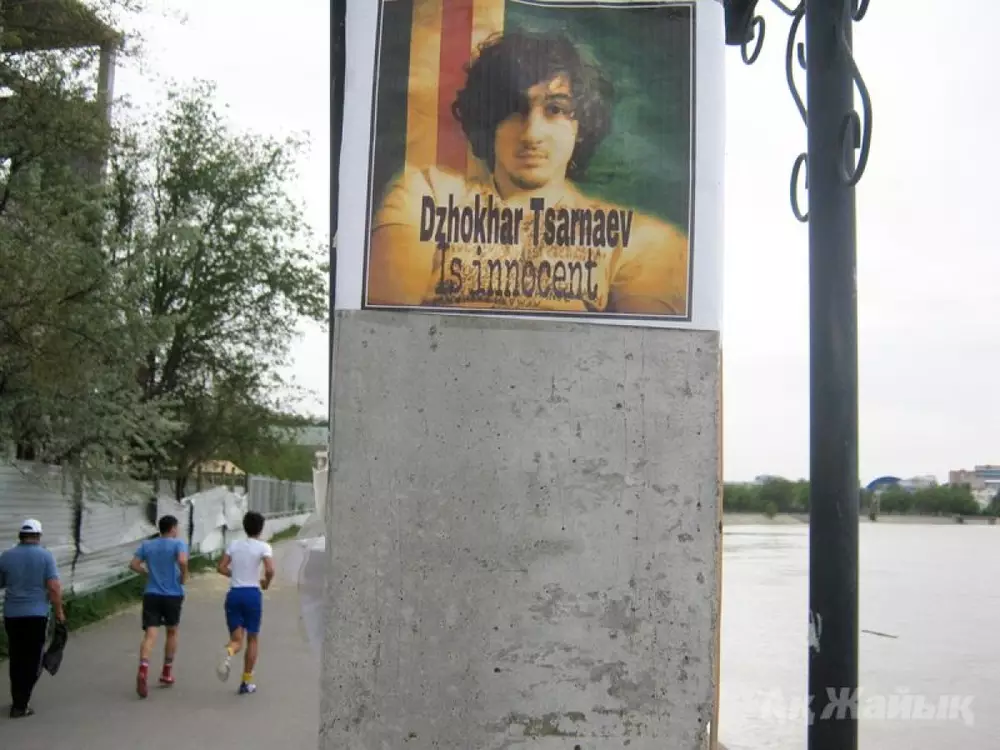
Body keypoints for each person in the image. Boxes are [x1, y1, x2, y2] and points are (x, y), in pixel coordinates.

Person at [367, 29, 690, 316]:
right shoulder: (428, 194)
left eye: (555, 109)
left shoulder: (640, 239)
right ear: (488, 121)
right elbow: (386, 329)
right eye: (513, 109)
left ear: (582, 125)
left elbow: (643, 355)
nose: (532, 134)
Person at [0, 519, 65, 718]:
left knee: (16, 656)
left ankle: (18, 698)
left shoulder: (6, 556)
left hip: (12, 615)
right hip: (36, 615)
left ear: (21, 536)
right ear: (38, 536)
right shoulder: (45, 556)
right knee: (33, 658)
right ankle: (21, 703)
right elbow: (54, 587)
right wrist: (59, 611)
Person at [129, 515, 188, 698]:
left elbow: (133, 564)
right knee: (172, 632)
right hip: (172, 594)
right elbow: (182, 561)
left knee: (150, 634)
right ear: (172, 528)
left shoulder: (147, 545)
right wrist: (184, 575)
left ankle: (143, 669)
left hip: (152, 593)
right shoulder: (178, 544)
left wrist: (147, 573)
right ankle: (166, 672)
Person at [216, 511, 275, 695]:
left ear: (244, 526)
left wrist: (235, 574)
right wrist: (266, 582)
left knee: (236, 640)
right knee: (252, 638)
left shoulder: (234, 545)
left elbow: (221, 567)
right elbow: (270, 570)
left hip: (234, 594)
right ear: (261, 528)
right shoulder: (263, 547)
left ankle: (229, 652)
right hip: (252, 594)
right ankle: (246, 682)